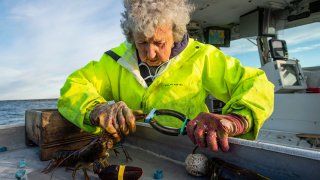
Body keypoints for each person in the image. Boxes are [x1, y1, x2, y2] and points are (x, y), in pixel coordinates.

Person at [58, 0, 274, 152]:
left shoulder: (203, 56)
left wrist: (235, 119)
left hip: (191, 151)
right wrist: (97, 108)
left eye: (159, 43)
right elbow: (75, 86)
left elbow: (256, 83)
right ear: (131, 36)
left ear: (176, 34)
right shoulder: (114, 61)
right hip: (132, 151)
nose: (150, 53)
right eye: (142, 43)